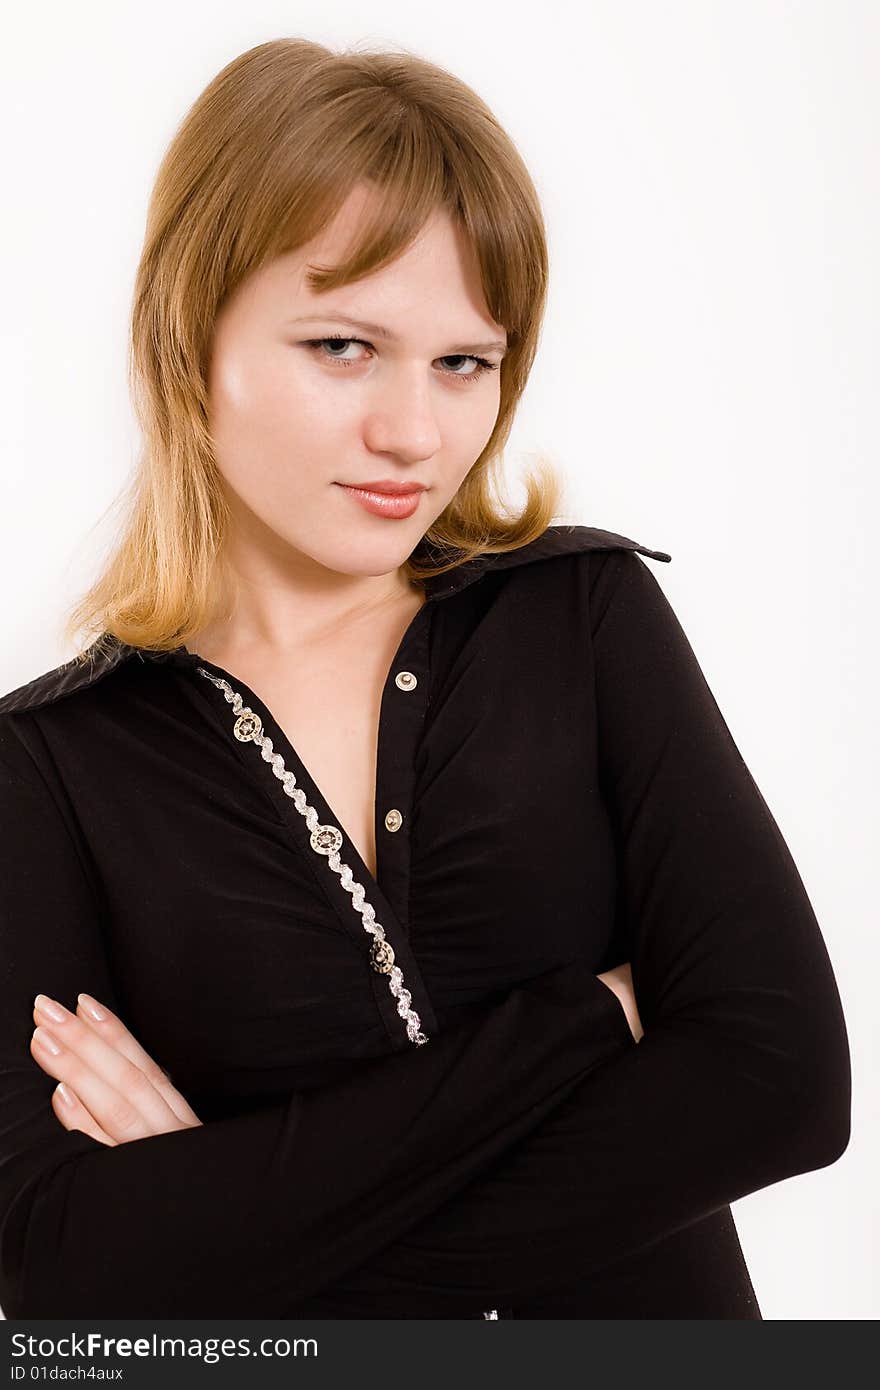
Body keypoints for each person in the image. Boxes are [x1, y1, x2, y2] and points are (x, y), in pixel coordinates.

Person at [0, 38, 850, 1320]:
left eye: (464, 361)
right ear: (191, 336)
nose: (415, 432)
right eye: (344, 346)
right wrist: (578, 1024)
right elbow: (59, 1258)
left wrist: (231, 1235)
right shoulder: (49, 763)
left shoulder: (578, 614)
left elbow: (783, 1083)